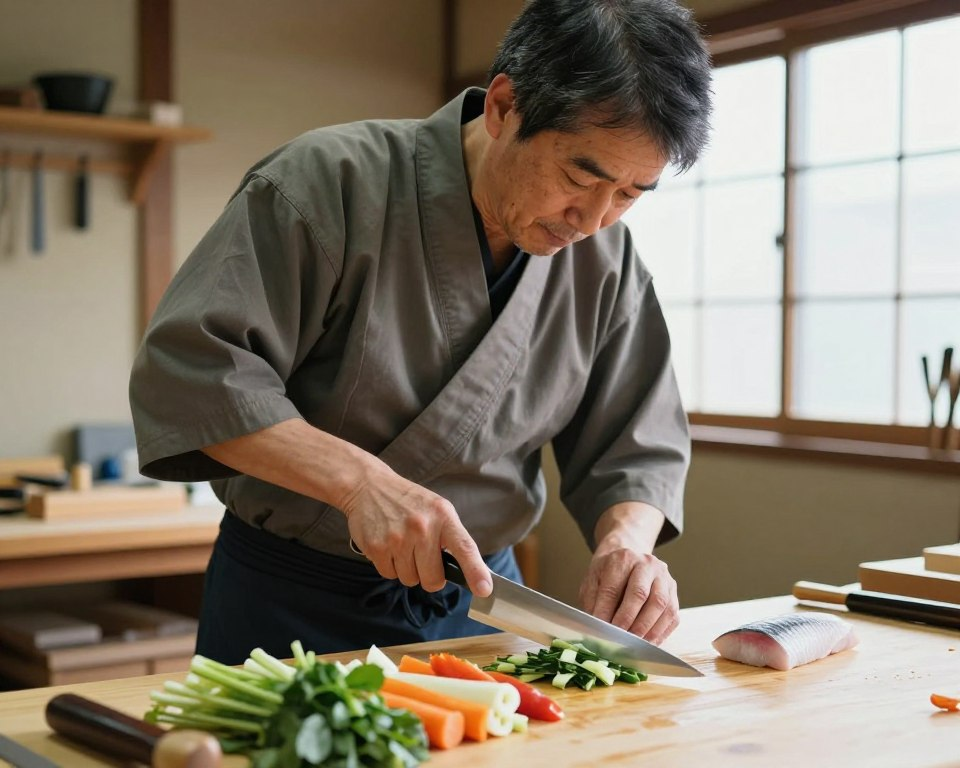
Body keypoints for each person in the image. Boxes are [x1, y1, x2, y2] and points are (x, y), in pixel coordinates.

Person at [129, 0, 712, 665]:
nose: (594, 218)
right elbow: (195, 375)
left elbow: (636, 446)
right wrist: (357, 483)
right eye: (582, 176)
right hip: (290, 606)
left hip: (481, 611)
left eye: (632, 193)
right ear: (502, 107)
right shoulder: (327, 182)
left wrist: (627, 545)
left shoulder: (607, 261)